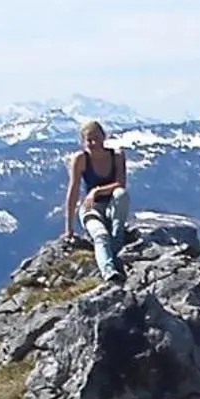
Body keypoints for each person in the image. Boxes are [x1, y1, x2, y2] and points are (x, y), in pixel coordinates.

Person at [63, 120, 132, 281]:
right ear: (83, 142)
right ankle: (109, 272)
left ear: (104, 136)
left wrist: (97, 190)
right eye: (88, 140)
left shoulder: (116, 156)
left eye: (96, 138)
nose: (93, 143)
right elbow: (72, 191)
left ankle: (116, 245)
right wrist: (69, 228)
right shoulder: (80, 159)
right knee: (100, 235)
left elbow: (120, 184)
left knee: (121, 194)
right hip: (90, 208)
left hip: (112, 207)